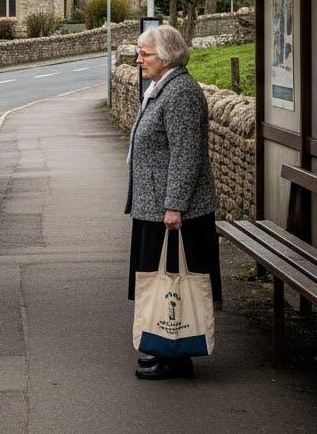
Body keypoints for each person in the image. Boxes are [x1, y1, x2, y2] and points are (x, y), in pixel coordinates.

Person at [127, 24, 221, 380]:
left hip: (173, 210)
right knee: (159, 281)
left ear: (166, 58)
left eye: (145, 54)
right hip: (155, 206)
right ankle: (165, 349)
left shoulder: (180, 92)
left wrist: (174, 206)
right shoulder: (163, 87)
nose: (139, 60)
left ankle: (177, 357)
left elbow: (186, 155)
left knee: (174, 284)